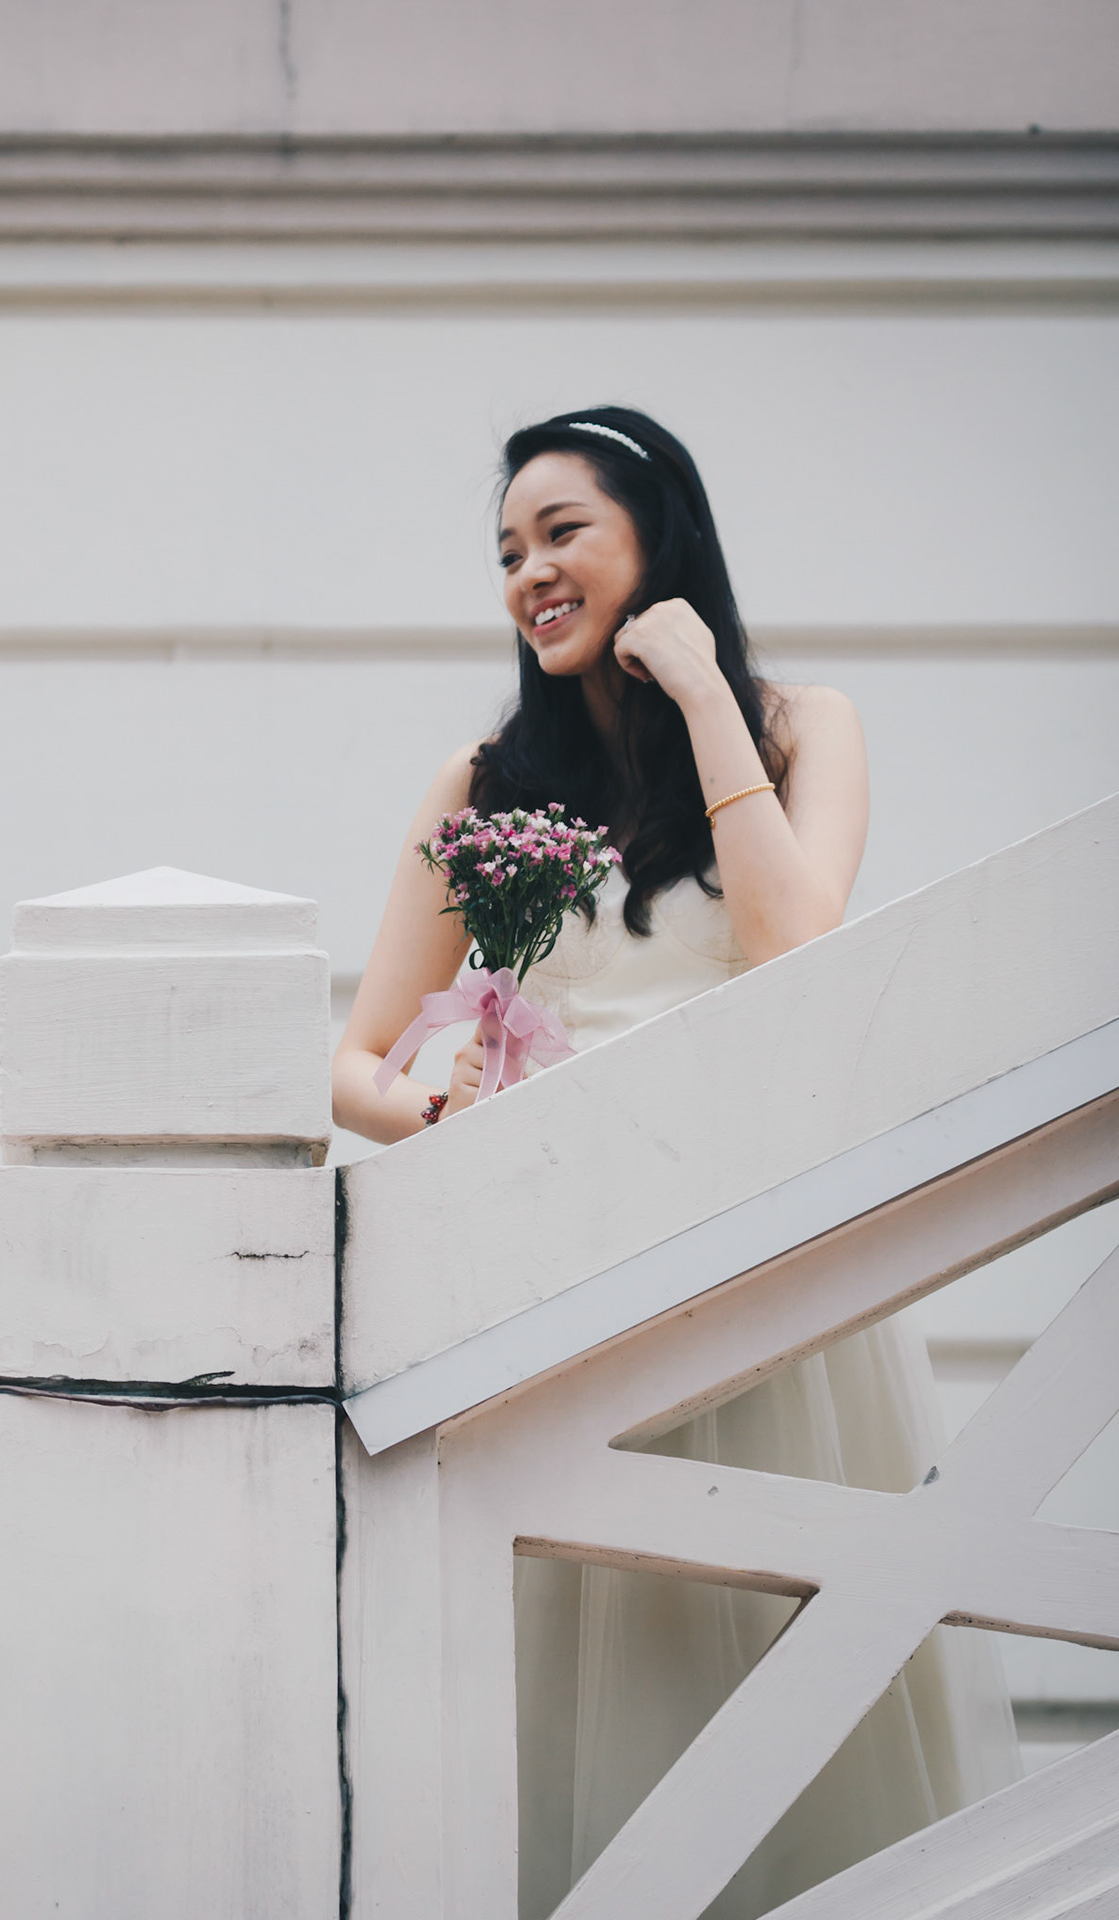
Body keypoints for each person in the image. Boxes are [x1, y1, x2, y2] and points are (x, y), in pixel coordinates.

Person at [332, 410, 1017, 1916]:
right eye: (507, 551)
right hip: (564, 1274)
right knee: (598, 1642)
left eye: (562, 532)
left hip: (766, 1264)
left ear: (660, 534)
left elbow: (795, 949)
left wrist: (704, 691)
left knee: (790, 1632)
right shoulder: (484, 778)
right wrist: (437, 1114)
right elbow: (356, 1060)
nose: (529, 572)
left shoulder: (802, 725)